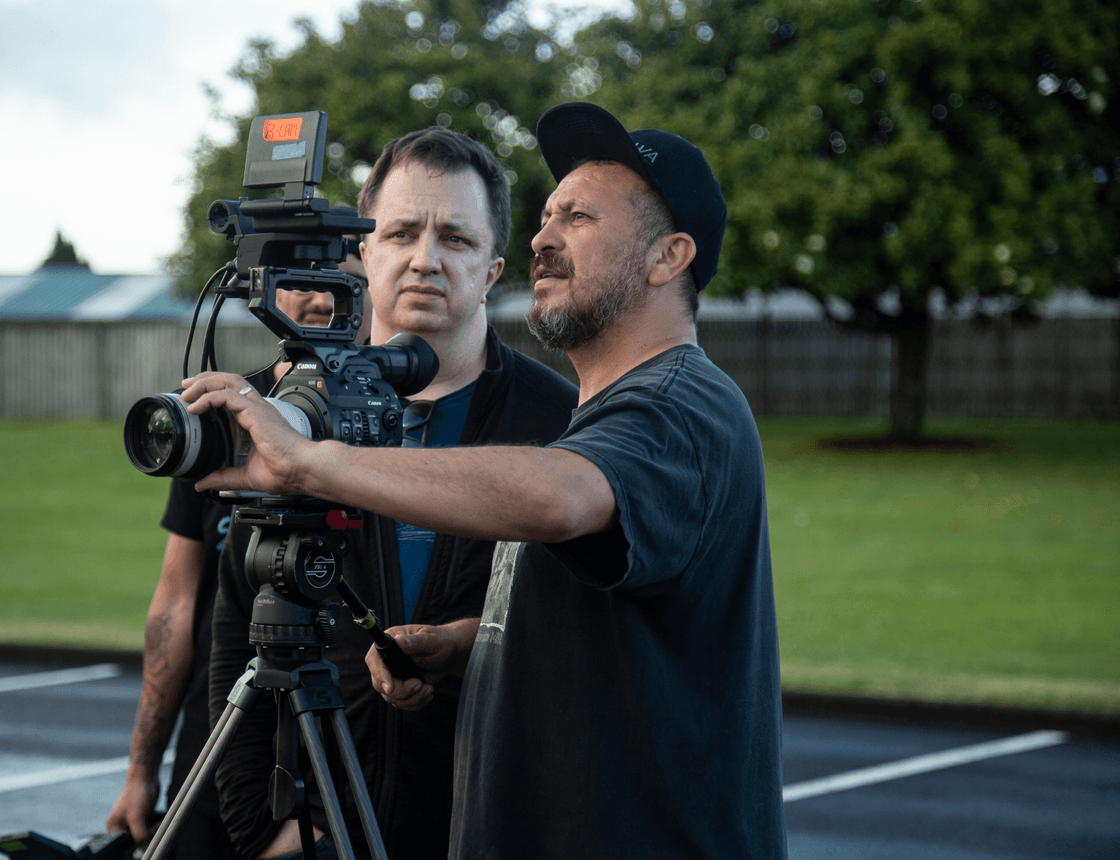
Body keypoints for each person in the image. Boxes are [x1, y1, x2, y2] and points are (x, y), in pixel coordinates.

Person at [181, 102, 788, 859]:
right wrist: (477, 645)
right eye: (545, 215)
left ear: (668, 258)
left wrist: (309, 460)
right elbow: (610, 624)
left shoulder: (677, 404)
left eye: (580, 217)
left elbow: (560, 496)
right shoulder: (605, 419)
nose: (542, 236)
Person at [203, 127, 579, 860]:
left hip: (490, 827)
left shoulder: (560, 422)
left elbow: (582, 639)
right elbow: (237, 628)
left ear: (493, 269)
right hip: (319, 830)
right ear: (365, 251)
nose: (425, 259)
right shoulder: (284, 414)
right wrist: (259, 826)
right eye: (401, 231)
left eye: (457, 239)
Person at [104, 242, 371, 858]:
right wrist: (141, 769)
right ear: (270, 292)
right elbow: (174, 603)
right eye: (301, 280)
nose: (317, 296)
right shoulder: (220, 419)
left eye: (341, 281)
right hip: (221, 726)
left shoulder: (385, 427)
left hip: (348, 740)